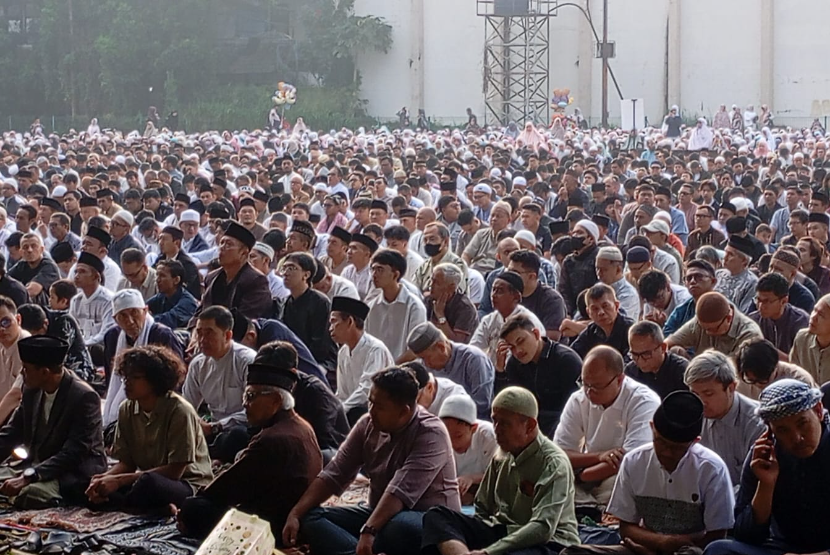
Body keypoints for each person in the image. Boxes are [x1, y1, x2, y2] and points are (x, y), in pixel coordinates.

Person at [282, 367, 460, 555]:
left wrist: (368, 531)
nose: (371, 411)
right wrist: (296, 512)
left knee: (398, 526)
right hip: (380, 516)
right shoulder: (368, 424)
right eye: (370, 403)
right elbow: (335, 473)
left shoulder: (431, 433)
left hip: (431, 523)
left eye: (380, 407)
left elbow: (399, 492)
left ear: (403, 412)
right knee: (311, 516)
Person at [177, 343, 323, 540]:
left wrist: (193, 502)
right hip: (290, 512)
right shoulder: (300, 424)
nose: (245, 404)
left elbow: (223, 489)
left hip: (271, 523)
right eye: (245, 396)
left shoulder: (272, 439)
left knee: (194, 508)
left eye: (251, 396)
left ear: (275, 401)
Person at [562, 391, 734, 555]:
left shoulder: (711, 469)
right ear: (652, 428)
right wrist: (659, 543)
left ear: (694, 442)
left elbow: (717, 535)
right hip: (643, 548)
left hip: (690, 550)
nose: (667, 452)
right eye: (661, 442)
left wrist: (674, 545)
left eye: (676, 448)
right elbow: (626, 526)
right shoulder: (634, 461)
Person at [422, 386, 581, 555]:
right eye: (494, 420)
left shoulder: (553, 463)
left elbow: (542, 528)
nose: (496, 429)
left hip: (549, 543)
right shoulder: (502, 455)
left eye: (504, 423)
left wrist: (488, 552)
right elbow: (482, 508)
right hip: (504, 531)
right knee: (437, 516)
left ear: (529, 426)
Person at [704, 380, 830, 555]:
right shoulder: (764, 456)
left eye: (802, 424)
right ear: (770, 431)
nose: (797, 437)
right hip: (783, 549)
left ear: (818, 411)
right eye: (783, 430)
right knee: (718, 550)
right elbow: (745, 535)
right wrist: (766, 484)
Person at [86, 346, 213, 512]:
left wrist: (119, 481)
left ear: (155, 380)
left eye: (135, 377)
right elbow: (127, 463)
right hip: (144, 478)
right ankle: (149, 508)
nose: (127, 383)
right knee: (86, 484)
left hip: (186, 483)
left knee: (148, 484)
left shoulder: (179, 410)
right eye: (125, 377)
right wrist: (105, 478)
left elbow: (175, 471)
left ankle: (135, 506)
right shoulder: (127, 409)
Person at [0, 336, 107, 508]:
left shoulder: (84, 397)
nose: (22, 374)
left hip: (71, 472)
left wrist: (28, 477)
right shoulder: (30, 391)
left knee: (29, 494)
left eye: (26, 369)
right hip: (36, 466)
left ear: (44, 372)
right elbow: (11, 433)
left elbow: (73, 452)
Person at [554, 346, 661, 512]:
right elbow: (559, 454)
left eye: (597, 386)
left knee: (622, 484)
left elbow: (632, 461)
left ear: (619, 380)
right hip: (589, 470)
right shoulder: (579, 399)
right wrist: (599, 457)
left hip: (617, 475)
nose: (589, 392)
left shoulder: (644, 401)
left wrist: (582, 476)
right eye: (584, 384)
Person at [683, 350, 766, 487]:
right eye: (695, 394)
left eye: (708, 394)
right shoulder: (692, 414)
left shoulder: (757, 424)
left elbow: (756, 484)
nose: (701, 402)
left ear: (731, 388)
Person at [184, 306, 256, 463]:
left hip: (241, 430)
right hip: (212, 431)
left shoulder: (247, 361)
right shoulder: (198, 364)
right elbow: (186, 404)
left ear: (227, 335)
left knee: (236, 436)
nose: (202, 340)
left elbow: (255, 411)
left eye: (209, 333)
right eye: (199, 333)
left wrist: (215, 427)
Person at [102, 289, 184, 427]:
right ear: (115, 319)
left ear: (145, 311)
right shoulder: (112, 337)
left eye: (134, 312)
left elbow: (175, 379)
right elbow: (112, 377)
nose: (130, 321)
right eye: (122, 315)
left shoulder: (161, 335)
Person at [497, 314, 582, 436]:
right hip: (529, 427)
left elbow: (576, 408)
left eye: (521, 341)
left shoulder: (565, 359)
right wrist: (500, 370)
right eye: (512, 348)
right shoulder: (514, 363)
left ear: (536, 334)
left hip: (562, 426)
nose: (518, 351)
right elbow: (507, 403)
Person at [408, 322, 495, 419]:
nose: (426, 364)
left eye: (426, 358)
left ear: (441, 347)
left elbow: (482, 404)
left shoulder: (474, 359)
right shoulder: (424, 366)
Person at [330, 296, 394, 425]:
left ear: (349, 322)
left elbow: (367, 389)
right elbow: (342, 393)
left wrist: (341, 410)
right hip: (352, 411)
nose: (330, 328)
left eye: (334, 322)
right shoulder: (343, 352)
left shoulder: (375, 349)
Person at [197, 221, 272, 321]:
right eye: (221, 243)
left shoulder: (256, 281)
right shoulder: (211, 277)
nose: (222, 248)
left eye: (228, 244)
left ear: (244, 253)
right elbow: (199, 313)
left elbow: (245, 320)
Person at [365, 249, 427, 361]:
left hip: (407, 370)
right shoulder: (372, 307)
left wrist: (391, 368)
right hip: (377, 369)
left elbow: (415, 350)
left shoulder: (414, 307)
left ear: (395, 274)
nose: (374, 275)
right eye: (373, 269)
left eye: (380, 270)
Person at [471, 271, 545, 366]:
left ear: (516, 297)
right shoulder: (488, 320)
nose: (493, 295)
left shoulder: (529, 321)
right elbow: (473, 351)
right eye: (493, 290)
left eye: (500, 291)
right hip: (492, 372)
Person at [281, 252, 338, 372]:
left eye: (291, 268)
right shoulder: (284, 302)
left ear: (306, 275)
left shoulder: (320, 302)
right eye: (284, 268)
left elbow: (321, 345)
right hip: (292, 360)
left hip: (320, 362)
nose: (285, 273)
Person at [436, 394, 497, 505]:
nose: (452, 442)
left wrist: (471, 478)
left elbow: (498, 474)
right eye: (447, 435)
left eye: (458, 436)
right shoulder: (438, 437)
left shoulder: (488, 436)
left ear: (473, 428)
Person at [666, 292, 763, 357]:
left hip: (734, 380)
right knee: (675, 351)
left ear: (728, 319)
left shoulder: (750, 334)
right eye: (703, 328)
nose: (707, 333)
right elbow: (668, 344)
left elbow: (733, 368)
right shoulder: (700, 323)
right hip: (701, 373)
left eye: (712, 329)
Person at [508, 249, 567, 340]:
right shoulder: (507, 296)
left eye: (515, 273)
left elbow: (552, 337)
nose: (509, 276)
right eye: (508, 272)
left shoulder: (552, 300)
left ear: (532, 276)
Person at [748, 272, 810, 357]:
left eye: (766, 301)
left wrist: (767, 350)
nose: (761, 306)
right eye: (758, 300)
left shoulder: (800, 321)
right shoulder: (753, 319)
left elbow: (803, 363)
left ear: (784, 301)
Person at [735, 338, 817, 401]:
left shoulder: (800, 381)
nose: (758, 385)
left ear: (775, 367)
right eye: (751, 380)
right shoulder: (740, 380)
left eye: (762, 380)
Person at [625, 321, 689, 399]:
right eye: (634, 354)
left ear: (663, 348)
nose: (640, 361)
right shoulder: (631, 372)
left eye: (646, 354)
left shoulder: (682, 372)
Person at [571, 283, 634, 359]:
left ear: (616, 306)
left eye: (605, 306)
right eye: (595, 309)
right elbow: (572, 355)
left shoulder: (630, 329)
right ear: (588, 313)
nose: (601, 312)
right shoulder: (591, 331)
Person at [69, 252, 115, 346]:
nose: (77, 276)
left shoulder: (109, 301)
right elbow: (70, 329)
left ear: (96, 276)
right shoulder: (76, 301)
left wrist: (82, 346)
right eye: (76, 272)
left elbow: (106, 334)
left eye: (82, 272)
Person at [426, 263, 478, 344]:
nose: (430, 285)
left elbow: (457, 343)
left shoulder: (465, 308)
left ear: (451, 287)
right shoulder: (429, 300)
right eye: (431, 280)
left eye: (436, 283)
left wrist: (440, 315)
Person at [664, 259, 718, 336]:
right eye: (688, 278)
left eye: (699, 277)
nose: (692, 281)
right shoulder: (681, 311)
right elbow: (666, 334)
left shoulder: (724, 308)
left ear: (713, 281)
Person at [559, 220, 600, 316]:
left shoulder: (599, 257)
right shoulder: (568, 261)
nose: (575, 236)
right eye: (574, 232)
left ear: (591, 238)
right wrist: (568, 312)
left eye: (580, 233)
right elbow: (564, 290)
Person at [7, 233, 59, 307]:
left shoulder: (49, 266)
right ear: (21, 252)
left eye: (34, 246)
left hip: (48, 309)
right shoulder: (22, 265)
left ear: (41, 249)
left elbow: (33, 290)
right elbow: (5, 279)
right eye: (25, 247)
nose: (30, 250)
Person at [789, 293, 830, 384]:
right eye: (814, 310)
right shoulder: (802, 338)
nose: (813, 317)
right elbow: (793, 373)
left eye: (821, 315)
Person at [146, 259, 198, 329]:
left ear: (176, 280)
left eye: (162, 276)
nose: (157, 280)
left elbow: (168, 320)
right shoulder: (162, 296)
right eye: (157, 275)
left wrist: (146, 317)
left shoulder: (188, 302)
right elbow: (143, 308)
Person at [714, 235, 759, 314]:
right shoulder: (718, 274)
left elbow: (744, 313)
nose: (725, 257)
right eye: (725, 252)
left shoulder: (752, 283)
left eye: (730, 254)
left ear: (744, 261)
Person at [595, 246, 640, 321]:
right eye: (597, 268)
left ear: (618, 269)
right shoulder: (597, 288)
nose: (599, 273)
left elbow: (613, 322)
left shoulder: (628, 294)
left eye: (604, 270)